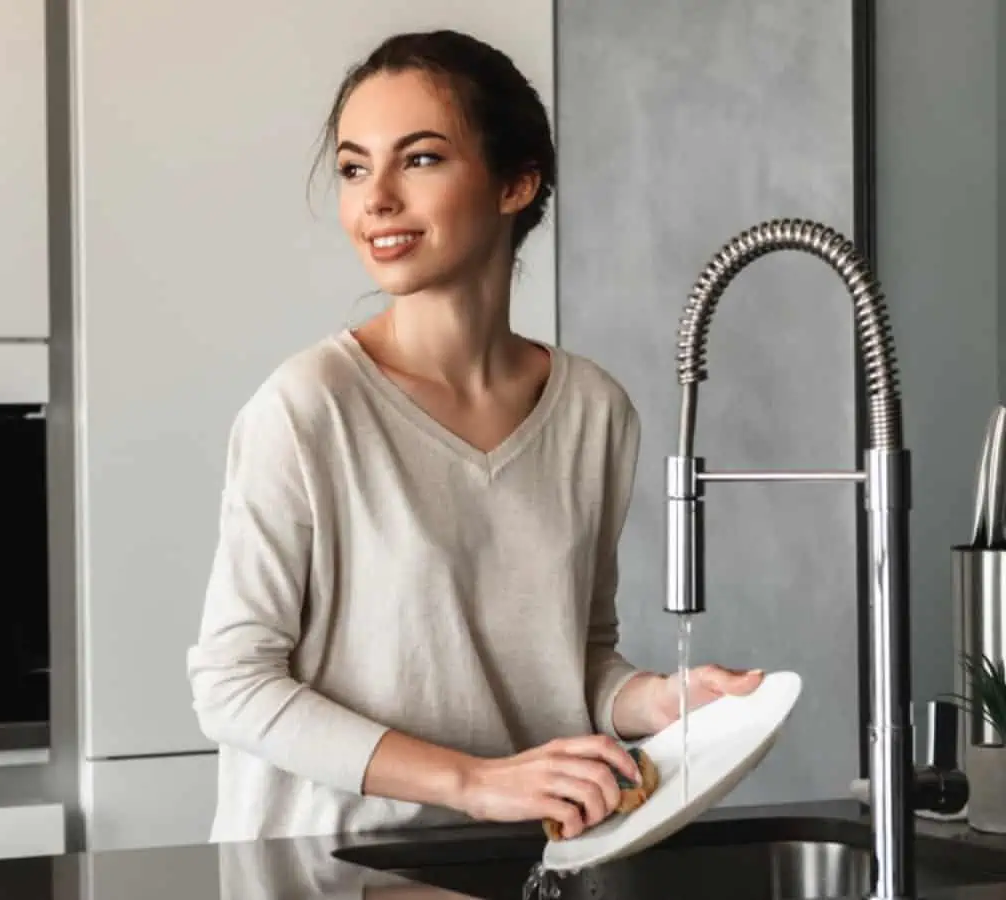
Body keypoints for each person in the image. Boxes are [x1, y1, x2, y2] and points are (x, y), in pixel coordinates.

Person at [184, 29, 763, 845]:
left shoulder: (595, 412)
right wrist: (474, 782)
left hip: (513, 860)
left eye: (418, 159)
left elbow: (575, 655)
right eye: (354, 168)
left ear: (515, 183)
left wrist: (655, 702)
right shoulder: (308, 409)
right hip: (324, 871)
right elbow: (233, 686)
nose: (375, 198)